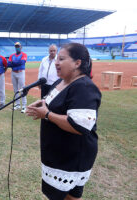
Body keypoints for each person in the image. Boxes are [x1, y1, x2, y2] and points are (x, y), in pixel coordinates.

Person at [26, 43, 101, 200]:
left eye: (61, 58)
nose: (56, 62)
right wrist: (41, 104)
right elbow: (50, 103)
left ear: (77, 63)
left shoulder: (84, 87)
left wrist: (46, 114)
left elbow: (79, 125)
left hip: (73, 156)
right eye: (56, 59)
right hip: (58, 153)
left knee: (70, 197)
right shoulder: (60, 82)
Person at [8, 42, 28, 113]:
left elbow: (22, 62)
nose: (17, 47)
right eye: (16, 46)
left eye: (18, 46)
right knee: (15, 89)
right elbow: (8, 64)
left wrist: (13, 63)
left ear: (21, 47)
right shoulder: (12, 55)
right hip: (13, 73)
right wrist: (16, 63)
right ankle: (17, 104)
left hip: (20, 72)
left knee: (22, 89)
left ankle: (24, 106)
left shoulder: (24, 54)